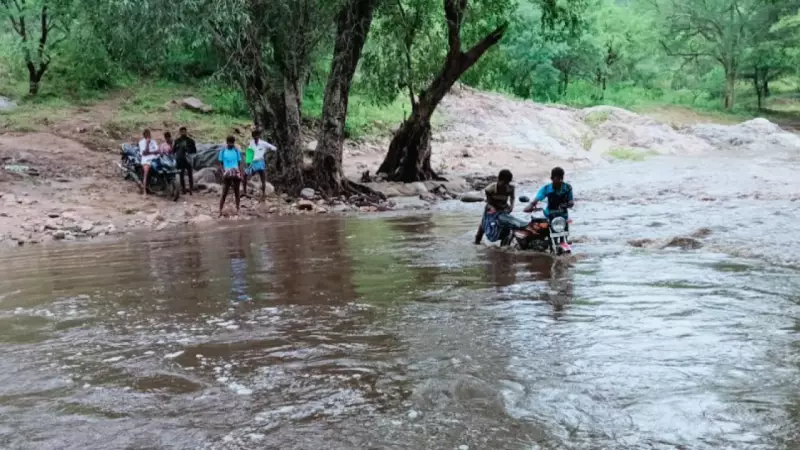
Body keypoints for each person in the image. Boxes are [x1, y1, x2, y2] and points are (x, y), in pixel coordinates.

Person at [475, 169, 516, 244]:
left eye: (508, 183)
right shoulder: (490, 189)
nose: (506, 185)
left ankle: (504, 246)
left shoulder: (511, 188)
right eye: (504, 183)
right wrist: (492, 208)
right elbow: (489, 202)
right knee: (484, 225)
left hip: (504, 208)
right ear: (499, 180)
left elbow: (512, 197)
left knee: (506, 226)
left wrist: (512, 206)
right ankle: (477, 241)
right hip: (492, 207)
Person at [242, 129, 277, 199]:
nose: (255, 137)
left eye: (256, 135)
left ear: (259, 136)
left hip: (260, 161)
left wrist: (267, 152)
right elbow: (249, 152)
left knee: (263, 177)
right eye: (254, 136)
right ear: (253, 136)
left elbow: (274, 148)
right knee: (245, 175)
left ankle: (263, 194)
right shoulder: (251, 143)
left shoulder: (263, 143)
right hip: (253, 162)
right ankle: (244, 192)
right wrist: (248, 162)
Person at [218, 136, 244, 217]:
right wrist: (223, 172)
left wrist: (241, 174)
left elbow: (240, 163)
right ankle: (220, 210)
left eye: (232, 143)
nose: (231, 144)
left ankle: (238, 209)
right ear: (227, 142)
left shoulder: (236, 151)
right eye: (229, 143)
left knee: (237, 192)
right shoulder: (223, 151)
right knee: (224, 192)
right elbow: (220, 163)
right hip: (227, 172)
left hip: (236, 171)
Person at [172, 126, 197, 195]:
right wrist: (177, 148)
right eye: (182, 132)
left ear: (186, 132)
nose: (183, 133)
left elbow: (194, 151)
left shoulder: (190, 141)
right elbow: (173, 151)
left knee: (190, 175)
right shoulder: (177, 141)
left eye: (184, 131)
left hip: (188, 160)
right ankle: (183, 189)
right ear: (180, 132)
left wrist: (187, 149)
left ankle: (191, 189)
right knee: (181, 175)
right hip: (180, 160)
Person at [138, 129, 159, 196]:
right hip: (146, 160)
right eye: (147, 134)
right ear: (144, 135)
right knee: (146, 173)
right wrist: (147, 143)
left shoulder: (153, 141)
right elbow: (144, 153)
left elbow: (157, 151)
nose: (148, 136)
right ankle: (144, 192)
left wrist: (150, 152)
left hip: (154, 158)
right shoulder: (141, 142)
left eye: (149, 134)